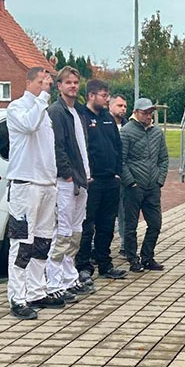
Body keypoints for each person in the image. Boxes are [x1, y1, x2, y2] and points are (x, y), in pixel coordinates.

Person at [5, 67, 60, 319]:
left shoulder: (43, 112)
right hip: (25, 184)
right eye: (41, 82)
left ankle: (37, 290)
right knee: (22, 243)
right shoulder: (18, 108)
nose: (45, 86)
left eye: (46, 82)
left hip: (47, 183)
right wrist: (42, 98)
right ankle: (17, 297)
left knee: (42, 241)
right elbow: (28, 126)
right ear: (28, 82)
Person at [46, 66, 93, 301]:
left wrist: (86, 173)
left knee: (76, 232)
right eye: (68, 83)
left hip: (82, 181)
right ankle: (53, 282)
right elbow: (58, 146)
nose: (73, 86)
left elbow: (82, 146)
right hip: (66, 182)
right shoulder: (57, 111)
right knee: (62, 232)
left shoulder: (77, 112)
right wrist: (67, 173)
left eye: (75, 82)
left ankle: (68, 276)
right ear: (59, 86)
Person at [75, 80, 127, 282]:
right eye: (103, 96)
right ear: (91, 96)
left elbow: (117, 146)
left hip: (111, 181)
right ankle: (84, 266)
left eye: (107, 95)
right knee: (88, 226)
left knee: (107, 225)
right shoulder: (82, 118)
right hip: (92, 182)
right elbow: (83, 148)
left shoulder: (107, 118)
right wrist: (88, 175)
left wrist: (117, 172)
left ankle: (105, 264)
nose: (106, 99)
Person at [120, 97, 169, 272]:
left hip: (152, 186)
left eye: (151, 112)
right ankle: (133, 259)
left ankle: (147, 256)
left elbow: (163, 158)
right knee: (130, 225)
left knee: (155, 223)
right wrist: (130, 182)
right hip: (134, 187)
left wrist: (159, 180)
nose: (149, 116)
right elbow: (121, 160)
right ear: (135, 113)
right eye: (145, 112)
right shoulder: (126, 132)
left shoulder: (157, 132)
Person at [109, 94, 128, 256]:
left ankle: (124, 243)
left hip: (124, 177)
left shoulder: (127, 127)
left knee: (124, 211)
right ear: (110, 106)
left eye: (125, 106)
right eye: (119, 105)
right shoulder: (104, 124)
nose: (123, 109)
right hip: (107, 176)